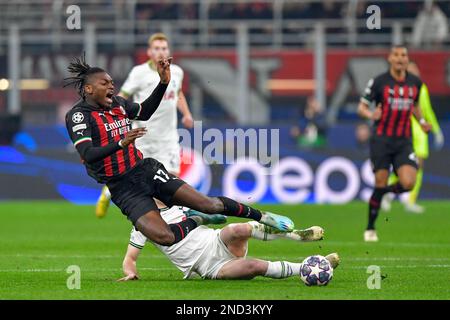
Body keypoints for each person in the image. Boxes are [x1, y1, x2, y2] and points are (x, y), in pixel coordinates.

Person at [64, 54, 294, 248]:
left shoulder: (118, 104)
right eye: (105, 83)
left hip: (145, 170)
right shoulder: (78, 116)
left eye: (112, 82)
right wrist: (120, 143)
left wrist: (163, 83)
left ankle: (263, 217)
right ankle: (197, 220)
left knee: (209, 203)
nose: (111, 86)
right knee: (165, 237)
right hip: (122, 188)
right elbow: (88, 154)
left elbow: (143, 112)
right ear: (89, 88)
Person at [96, 33, 194, 218]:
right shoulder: (139, 73)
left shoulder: (177, 72)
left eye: (164, 48)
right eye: (156, 48)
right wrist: (113, 117)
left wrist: (187, 114)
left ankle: (164, 221)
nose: (160, 52)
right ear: (149, 52)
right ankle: (108, 192)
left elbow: (178, 93)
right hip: (142, 136)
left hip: (168, 138)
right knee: (131, 177)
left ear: (168, 51)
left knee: (170, 179)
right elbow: (123, 96)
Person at [117, 205, 336, 281]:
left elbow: (218, 218)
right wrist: (130, 272)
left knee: (238, 229)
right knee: (254, 266)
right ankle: (311, 267)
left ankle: (297, 235)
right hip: (209, 267)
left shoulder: (180, 205)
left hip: (217, 241)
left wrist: (207, 216)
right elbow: (130, 258)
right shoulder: (143, 225)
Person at [357, 45, 432, 242]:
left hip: (404, 141)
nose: (400, 58)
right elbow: (362, 107)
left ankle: (382, 193)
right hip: (382, 140)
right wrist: (371, 114)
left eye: (404, 55)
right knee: (380, 180)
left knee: (408, 182)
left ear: (407, 59)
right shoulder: (379, 82)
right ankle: (370, 227)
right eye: (397, 55)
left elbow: (415, 106)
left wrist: (422, 122)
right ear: (390, 58)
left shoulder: (415, 83)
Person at [382, 61, 444, 214]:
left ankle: (410, 201)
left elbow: (427, 110)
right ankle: (387, 194)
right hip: (404, 131)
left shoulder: (422, 88)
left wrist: (436, 130)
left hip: (420, 132)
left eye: (414, 70)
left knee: (419, 166)